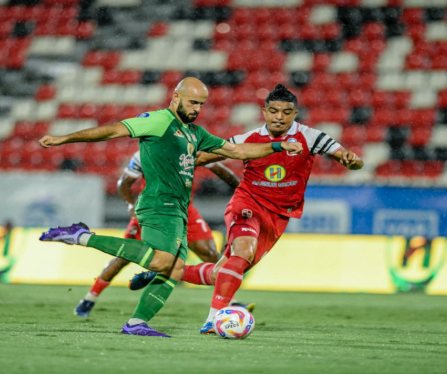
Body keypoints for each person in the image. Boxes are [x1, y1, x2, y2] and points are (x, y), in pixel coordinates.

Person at [37, 78, 303, 338]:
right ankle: (81, 237)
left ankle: (136, 323)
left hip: (179, 208)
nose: (197, 108)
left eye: (201, 104)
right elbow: (112, 130)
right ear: (176, 97)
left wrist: (278, 145)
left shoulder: (195, 133)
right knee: (161, 261)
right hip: (157, 203)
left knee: (174, 269)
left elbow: (238, 151)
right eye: (192, 102)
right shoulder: (158, 120)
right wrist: (64, 139)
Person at [130, 84, 363, 334]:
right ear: (264, 112)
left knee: (224, 271)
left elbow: (345, 156)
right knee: (243, 252)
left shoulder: (312, 136)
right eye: (273, 111)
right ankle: (214, 318)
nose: (279, 117)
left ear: (295, 114)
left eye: (286, 112)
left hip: (279, 215)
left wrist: (353, 160)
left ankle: (167, 272)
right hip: (247, 203)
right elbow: (202, 157)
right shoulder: (245, 139)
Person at [74, 150, 254, 317]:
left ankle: (231, 301)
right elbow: (124, 182)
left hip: (184, 211)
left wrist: (244, 193)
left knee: (209, 253)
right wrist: (131, 206)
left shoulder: (191, 150)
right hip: (153, 211)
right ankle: (90, 298)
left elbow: (221, 171)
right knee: (123, 258)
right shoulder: (145, 153)